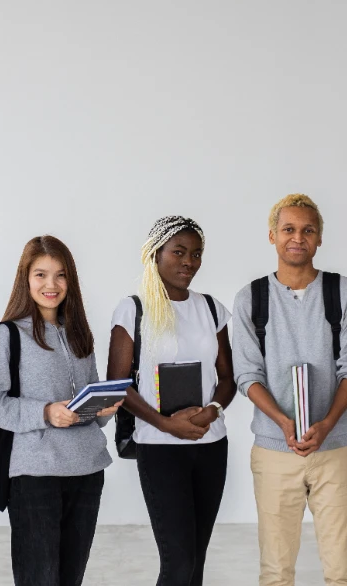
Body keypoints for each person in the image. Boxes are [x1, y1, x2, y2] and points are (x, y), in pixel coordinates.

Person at [232, 194, 347, 586]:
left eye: (308, 230)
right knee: (275, 571)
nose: (297, 237)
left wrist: (326, 424)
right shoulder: (251, 298)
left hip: (337, 447)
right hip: (274, 449)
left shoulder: (344, 292)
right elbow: (247, 375)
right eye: (288, 229)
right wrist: (282, 422)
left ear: (320, 238)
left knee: (342, 570)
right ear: (272, 236)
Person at [0, 235, 122, 586]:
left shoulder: (79, 333)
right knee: (39, 579)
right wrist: (45, 412)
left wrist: (105, 410)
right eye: (40, 274)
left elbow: (88, 403)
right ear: (25, 279)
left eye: (60, 275)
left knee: (70, 578)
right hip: (34, 474)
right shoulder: (8, 335)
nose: (51, 285)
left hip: (87, 470)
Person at [106, 215, 235, 586]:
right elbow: (118, 384)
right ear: (154, 254)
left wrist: (212, 412)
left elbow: (227, 377)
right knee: (178, 564)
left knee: (195, 563)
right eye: (178, 252)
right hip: (160, 447)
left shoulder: (211, 308)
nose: (189, 262)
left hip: (210, 444)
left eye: (196, 254)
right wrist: (164, 423)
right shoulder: (134, 309)